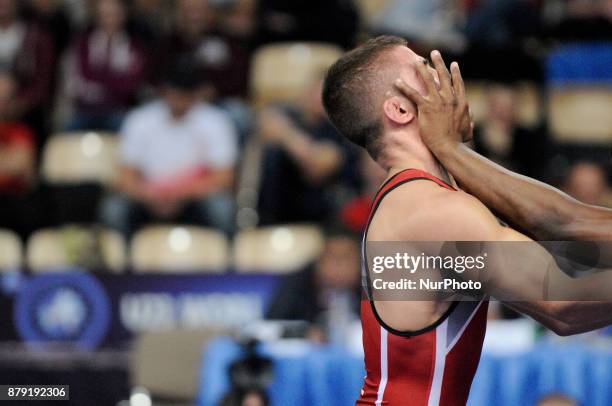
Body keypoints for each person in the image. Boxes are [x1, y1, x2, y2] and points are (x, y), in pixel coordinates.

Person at [322, 35, 612, 405]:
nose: (448, 82)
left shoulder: (421, 198)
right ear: (399, 110)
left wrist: (452, 149)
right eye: (426, 71)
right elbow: (565, 303)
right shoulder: (429, 210)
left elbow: (560, 222)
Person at [394, 55, 612, 243]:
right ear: (489, 105)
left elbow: (562, 219)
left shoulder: (531, 139)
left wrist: (448, 145)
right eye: (498, 107)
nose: (503, 113)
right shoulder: (474, 137)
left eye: (509, 107)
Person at [99, 62, 238, 237]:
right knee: (114, 209)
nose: (178, 100)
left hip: (192, 199)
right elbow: (125, 177)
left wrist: (179, 194)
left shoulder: (216, 121)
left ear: (196, 94)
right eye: (174, 94)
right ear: (164, 91)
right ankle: (122, 262)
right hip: (149, 196)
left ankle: (224, 262)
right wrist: (149, 194)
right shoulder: (140, 119)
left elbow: (224, 179)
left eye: (185, 95)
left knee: (221, 208)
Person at [256, 76, 360, 224]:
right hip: (275, 210)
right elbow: (266, 121)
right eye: (315, 92)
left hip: (321, 218)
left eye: (326, 94)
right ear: (305, 92)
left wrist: (287, 136)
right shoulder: (288, 113)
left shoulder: (340, 131)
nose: (318, 99)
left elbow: (319, 166)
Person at [64, 0, 148, 131]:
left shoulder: (134, 47)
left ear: (123, 15)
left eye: (114, 14)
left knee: (131, 128)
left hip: (119, 110)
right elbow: (77, 84)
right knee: (67, 131)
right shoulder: (83, 43)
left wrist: (97, 75)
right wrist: (114, 77)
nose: (109, 20)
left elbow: (130, 86)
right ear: (97, 17)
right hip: (85, 110)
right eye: (104, 15)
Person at [266, 228, 361, 342]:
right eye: (333, 258)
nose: (339, 268)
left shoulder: (374, 285)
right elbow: (269, 325)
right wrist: (303, 332)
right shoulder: (297, 283)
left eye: (346, 258)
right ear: (319, 261)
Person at [0, 71, 38, 239]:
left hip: (12, 205)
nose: (2, 102)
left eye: (6, 97)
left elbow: (20, 168)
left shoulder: (21, 132)